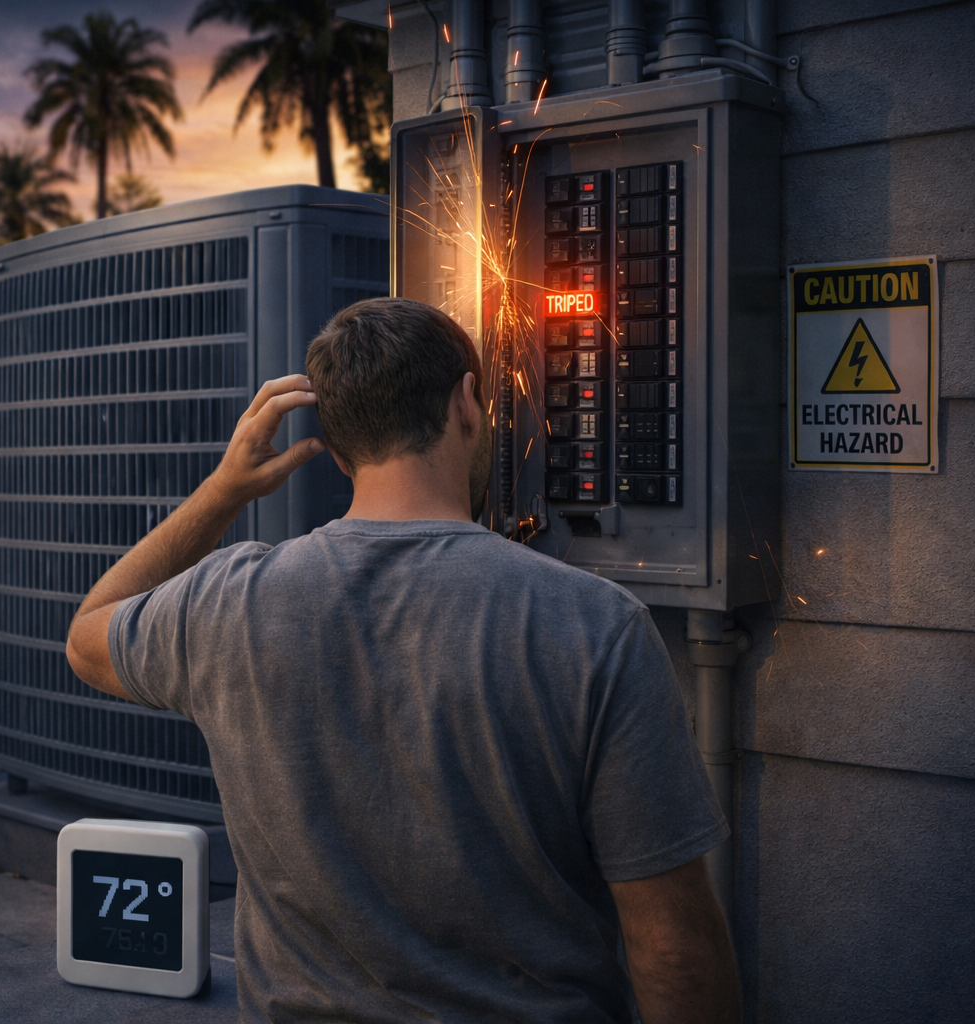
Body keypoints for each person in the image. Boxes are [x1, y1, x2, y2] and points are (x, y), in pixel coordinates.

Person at [66, 297, 740, 1023]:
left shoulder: (225, 602)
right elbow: (673, 947)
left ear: (332, 443)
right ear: (468, 403)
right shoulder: (598, 623)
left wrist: (224, 489)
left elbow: (86, 636)